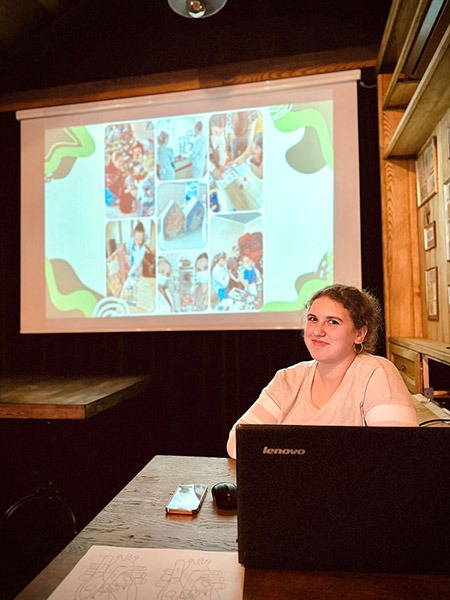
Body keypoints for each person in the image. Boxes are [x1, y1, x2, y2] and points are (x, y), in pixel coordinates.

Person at [226, 284, 417, 459]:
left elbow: (397, 451)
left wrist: (289, 452)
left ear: (359, 334)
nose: (317, 331)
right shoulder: (288, 378)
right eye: (313, 319)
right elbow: (237, 443)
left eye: (332, 322)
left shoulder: (377, 373)